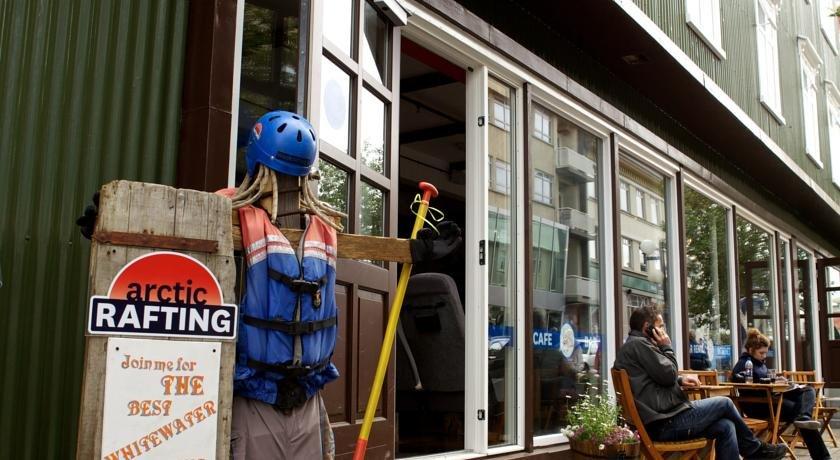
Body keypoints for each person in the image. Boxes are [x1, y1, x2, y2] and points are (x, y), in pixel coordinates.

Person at [614, 306, 786, 459]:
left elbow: (656, 378)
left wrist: (680, 380)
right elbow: (668, 374)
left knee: (726, 426)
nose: (664, 332)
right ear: (648, 327)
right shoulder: (640, 345)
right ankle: (754, 450)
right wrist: (666, 346)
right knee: (725, 403)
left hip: (660, 421)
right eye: (661, 326)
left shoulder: (633, 346)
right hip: (665, 423)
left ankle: (754, 449)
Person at [732, 328, 831, 460]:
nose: (764, 356)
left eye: (766, 353)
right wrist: (771, 381)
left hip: (772, 400)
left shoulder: (760, 364)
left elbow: (765, 379)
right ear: (750, 350)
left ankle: (804, 417)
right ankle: (822, 456)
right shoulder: (744, 363)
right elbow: (738, 379)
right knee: (799, 410)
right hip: (760, 406)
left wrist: (779, 381)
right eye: (761, 353)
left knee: (808, 389)